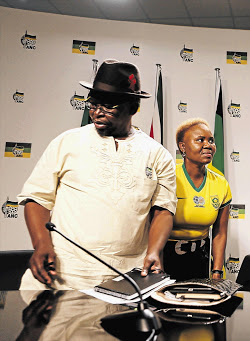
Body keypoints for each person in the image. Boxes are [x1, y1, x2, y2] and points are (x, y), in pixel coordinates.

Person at [17, 59, 177, 290]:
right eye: (93, 104)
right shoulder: (66, 142)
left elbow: (163, 210)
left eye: (109, 106)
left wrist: (153, 251)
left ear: (132, 107)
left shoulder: (157, 155)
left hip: (127, 279)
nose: (97, 113)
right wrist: (42, 244)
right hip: (64, 275)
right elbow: (37, 199)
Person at [163, 118, 231, 280]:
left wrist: (217, 271)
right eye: (200, 140)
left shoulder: (221, 183)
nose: (208, 145)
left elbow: (220, 233)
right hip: (165, 257)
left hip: (200, 258)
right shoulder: (168, 177)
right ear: (182, 147)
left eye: (211, 141)